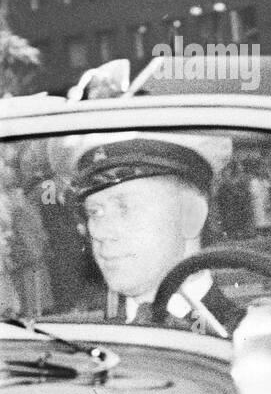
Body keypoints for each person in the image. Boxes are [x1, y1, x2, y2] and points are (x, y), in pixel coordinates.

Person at [58, 132, 239, 335]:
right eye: (94, 212)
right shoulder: (96, 338)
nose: (98, 231)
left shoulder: (244, 345)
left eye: (125, 207)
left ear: (191, 215)